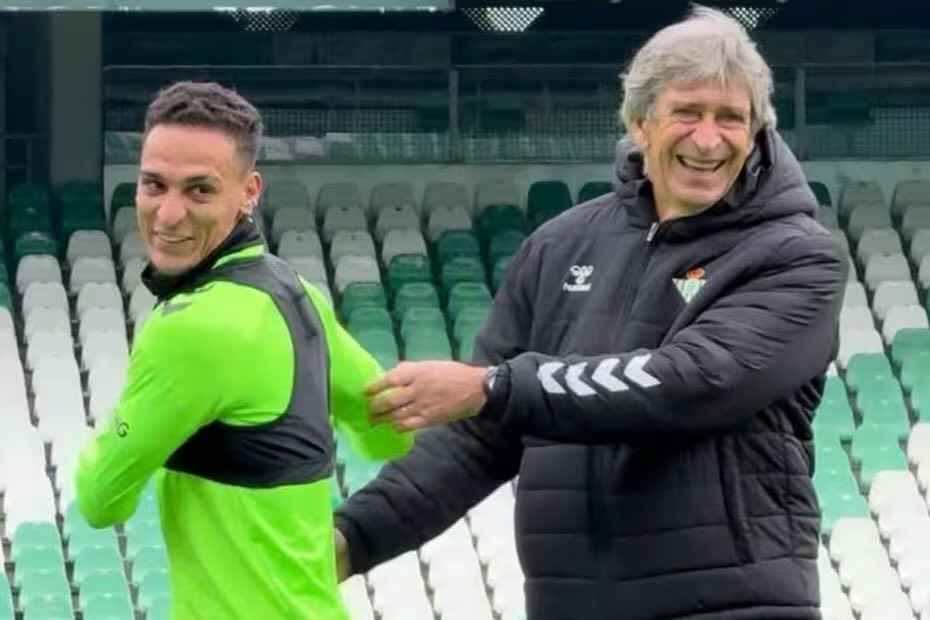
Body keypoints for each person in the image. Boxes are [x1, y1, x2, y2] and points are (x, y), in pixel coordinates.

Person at [335, 7, 846, 620]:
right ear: (639, 123)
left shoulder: (796, 255)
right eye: (687, 112)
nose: (709, 139)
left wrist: (493, 387)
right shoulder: (559, 246)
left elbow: (688, 383)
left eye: (731, 118)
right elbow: (478, 439)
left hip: (732, 608)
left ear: (756, 131)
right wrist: (349, 540)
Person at [74, 81, 412, 619]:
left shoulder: (191, 329)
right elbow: (390, 434)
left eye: (199, 190)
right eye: (154, 184)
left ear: (249, 191)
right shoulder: (297, 294)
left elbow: (99, 499)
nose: (168, 214)